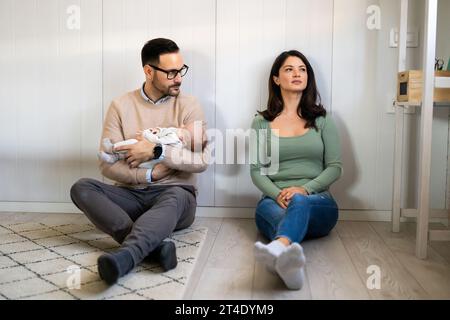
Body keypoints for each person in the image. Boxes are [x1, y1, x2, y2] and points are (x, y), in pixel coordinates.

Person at [70, 38, 209, 285]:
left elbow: (201, 161)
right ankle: (154, 249)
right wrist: (149, 176)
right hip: (132, 196)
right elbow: (107, 164)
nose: (179, 78)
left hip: (176, 195)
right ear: (149, 71)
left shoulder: (189, 105)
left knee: (175, 195)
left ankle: (127, 256)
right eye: (171, 72)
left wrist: (157, 151)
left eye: (181, 70)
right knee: (82, 188)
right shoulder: (120, 106)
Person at [250, 50, 342, 290]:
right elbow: (256, 170)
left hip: (317, 200)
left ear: (308, 77)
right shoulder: (261, 122)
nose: (297, 73)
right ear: (276, 79)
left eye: (302, 69)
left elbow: (335, 168)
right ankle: (288, 262)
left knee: (299, 202)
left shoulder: (322, 120)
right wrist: (277, 194)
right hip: (274, 201)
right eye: (289, 69)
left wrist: (304, 189)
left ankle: (278, 247)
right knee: (286, 212)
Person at [99, 125, 191, 169]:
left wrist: (145, 134)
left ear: (182, 138)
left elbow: (158, 141)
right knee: (132, 149)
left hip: (150, 161)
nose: (180, 127)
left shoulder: (175, 138)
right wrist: (158, 130)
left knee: (133, 142)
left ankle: (112, 149)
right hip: (149, 161)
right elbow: (165, 130)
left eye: (182, 129)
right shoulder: (176, 133)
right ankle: (114, 157)